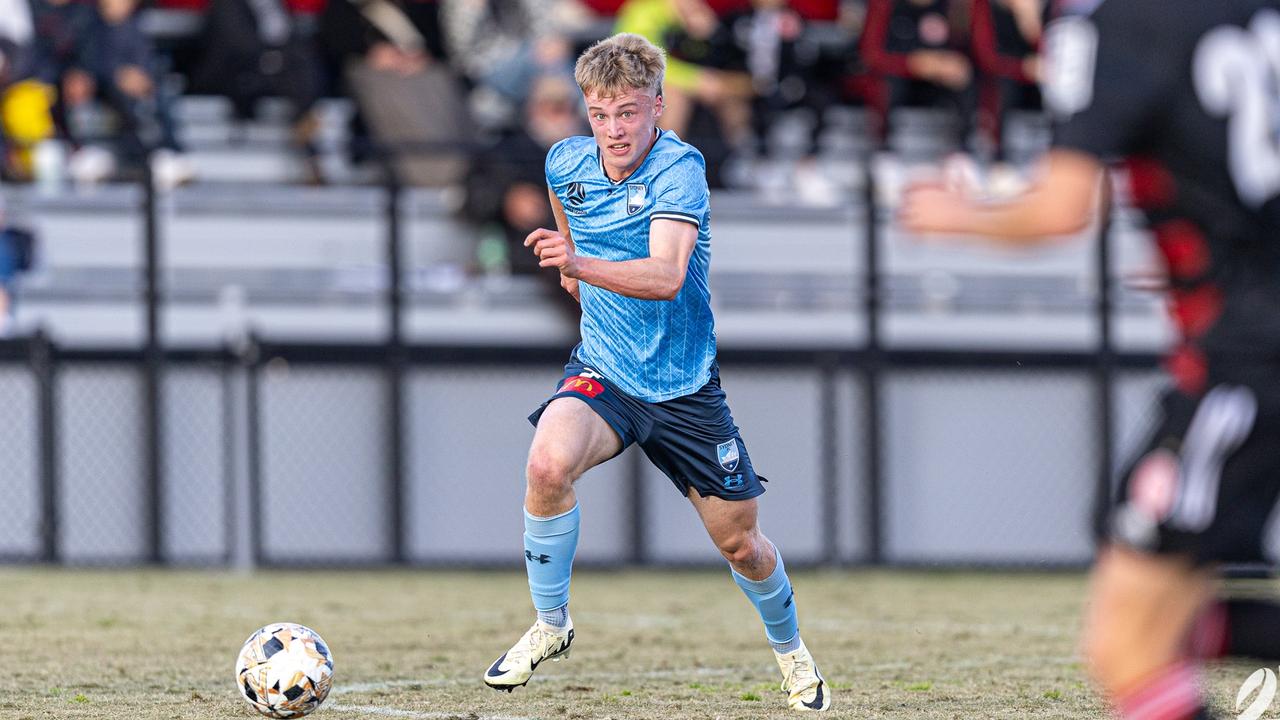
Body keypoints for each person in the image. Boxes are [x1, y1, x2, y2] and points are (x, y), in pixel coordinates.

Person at [900, 1, 1280, 718]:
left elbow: (1061, 208)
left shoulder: (1109, 26)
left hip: (1248, 356)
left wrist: (962, 217)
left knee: (1126, 645)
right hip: (1250, 340)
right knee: (1164, 622)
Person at [481, 32, 831, 712]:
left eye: (629, 112)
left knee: (743, 546)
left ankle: (794, 656)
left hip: (685, 391)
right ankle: (551, 625)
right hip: (605, 373)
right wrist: (576, 274)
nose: (614, 129)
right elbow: (567, 241)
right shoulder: (565, 164)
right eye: (601, 113)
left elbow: (667, 276)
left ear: (659, 110)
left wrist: (579, 267)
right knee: (547, 466)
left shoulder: (680, 169)